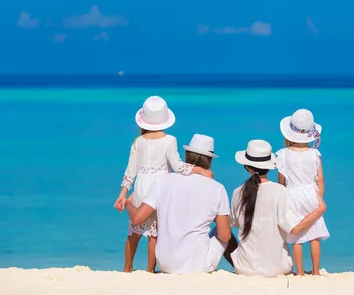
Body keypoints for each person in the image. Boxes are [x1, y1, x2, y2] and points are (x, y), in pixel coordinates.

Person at [113, 96, 213, 272]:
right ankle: (150, 270)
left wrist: (122, 195)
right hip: (160, 188)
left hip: (141, 187)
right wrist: (200, 170)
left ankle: (127, 268)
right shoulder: (170, 140)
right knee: (154, 234)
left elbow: (130, 172)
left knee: (134, 232)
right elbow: (178, 166)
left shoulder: (138, 142)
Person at [125, 134, 231, 274]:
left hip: (165, 264)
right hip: (199, 265)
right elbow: (224, 236)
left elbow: (137, 218)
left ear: (186, 155)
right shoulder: (218, 188)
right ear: (210, 160)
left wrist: (127, 203)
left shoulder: (162, 181)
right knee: (223, 232)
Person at [225, 139, 327, 277]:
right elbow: (295, 228)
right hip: (277, 269)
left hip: (243, 268)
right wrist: (319, 211)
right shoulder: (279, 191)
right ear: (268, 166)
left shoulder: (238, 192)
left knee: (219, 229)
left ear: (247, 167)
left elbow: (233, 223)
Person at [276, 109, 329, 275]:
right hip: (310, 193)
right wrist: (318, 196)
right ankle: (315, 271)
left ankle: (299, 272)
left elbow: (281, 182)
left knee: (295, 237)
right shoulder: (315, 154)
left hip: (292, 194)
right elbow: (320, 179)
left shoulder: (282, 154)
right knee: (315, 235)